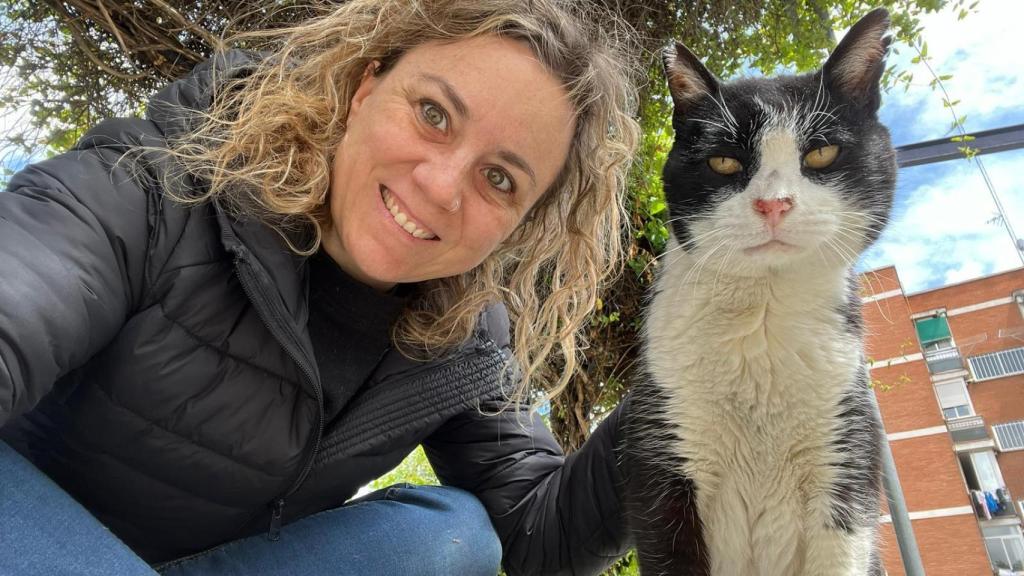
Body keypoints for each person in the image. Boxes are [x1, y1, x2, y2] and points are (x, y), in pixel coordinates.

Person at [0, 0, 641, 575]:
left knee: (455, 535)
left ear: (519, 226)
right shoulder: (156, 184)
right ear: (366, 87)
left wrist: (691, 386)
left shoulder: (464, 342)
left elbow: (542, 536)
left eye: (500, 180)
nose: (442, 188)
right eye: (433, 114)